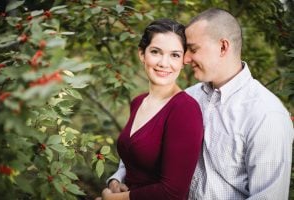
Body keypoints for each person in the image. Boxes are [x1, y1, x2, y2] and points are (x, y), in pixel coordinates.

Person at [103, 8, 294, 200]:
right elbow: (144, 150)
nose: (186, 59)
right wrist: (117, 179)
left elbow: (269, 197)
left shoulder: (266, 114)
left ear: (223, 47)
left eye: (193, 50)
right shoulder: (189, 96)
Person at [96, 19, 204, 200]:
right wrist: (115, 183)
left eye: (174, 55)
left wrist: (111, 199)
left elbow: (173, 193)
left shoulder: (185, 110)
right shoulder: (138, 102)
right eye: (155, 52)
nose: (164, 63)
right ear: (142, 54)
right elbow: (132, 161)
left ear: (184, 60)